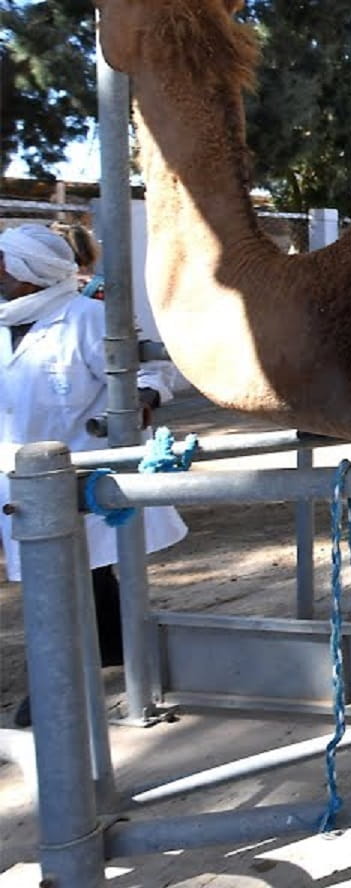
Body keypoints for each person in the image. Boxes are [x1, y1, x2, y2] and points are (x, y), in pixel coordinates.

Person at [0, 223, 185, 727]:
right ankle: (122, 650)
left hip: (81, 477)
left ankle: (58, 685)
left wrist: (141, 402)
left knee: (63, 582)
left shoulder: (88, 318)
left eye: (2, 262)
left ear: (25, 273)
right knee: (82, 576)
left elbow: (149, 372)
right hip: (18, 480)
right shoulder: (4, 323)